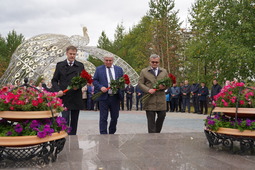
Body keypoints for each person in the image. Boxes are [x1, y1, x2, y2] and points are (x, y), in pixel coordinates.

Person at [51, 45, 85, 135]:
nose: (72, 56)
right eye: (70, 54)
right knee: (65, 119)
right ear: (66, 53)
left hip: (76, 96)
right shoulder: (60, 65)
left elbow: (84, 80)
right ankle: (64, 137)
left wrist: (78, 86)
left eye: (74, 54)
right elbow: (54, 80)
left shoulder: (80, 66)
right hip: (64, 96)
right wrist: (58, 90)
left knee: (74, 120)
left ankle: (73, 138)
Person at [93, 55, 124, 134]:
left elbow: (123, 82)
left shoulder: (119, 69)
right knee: (103, 117)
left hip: (115, 97)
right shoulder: (99, 69)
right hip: (104, 97)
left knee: (115, 117)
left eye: (110, 60)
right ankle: (103, 134)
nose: (108, 62)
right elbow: (95, 81)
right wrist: (100, 87)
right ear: (104, 60)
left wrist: (119, 86)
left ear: (113, 60)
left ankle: (112, 132)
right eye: (106, 60)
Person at [138, 54, 168, 133]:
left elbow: (168, 83)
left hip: (161, 99)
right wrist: (148, 90)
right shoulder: (144, 71)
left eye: (156, 62)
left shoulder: (164, 71)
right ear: (150, 62)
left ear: (159, 62)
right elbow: (140, 83)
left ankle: (157, 133)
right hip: (150, 99)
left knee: (162, 116)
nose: (154, 63)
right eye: (153, 62)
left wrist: (164, 87)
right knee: (151, 121)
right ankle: (152, 136)